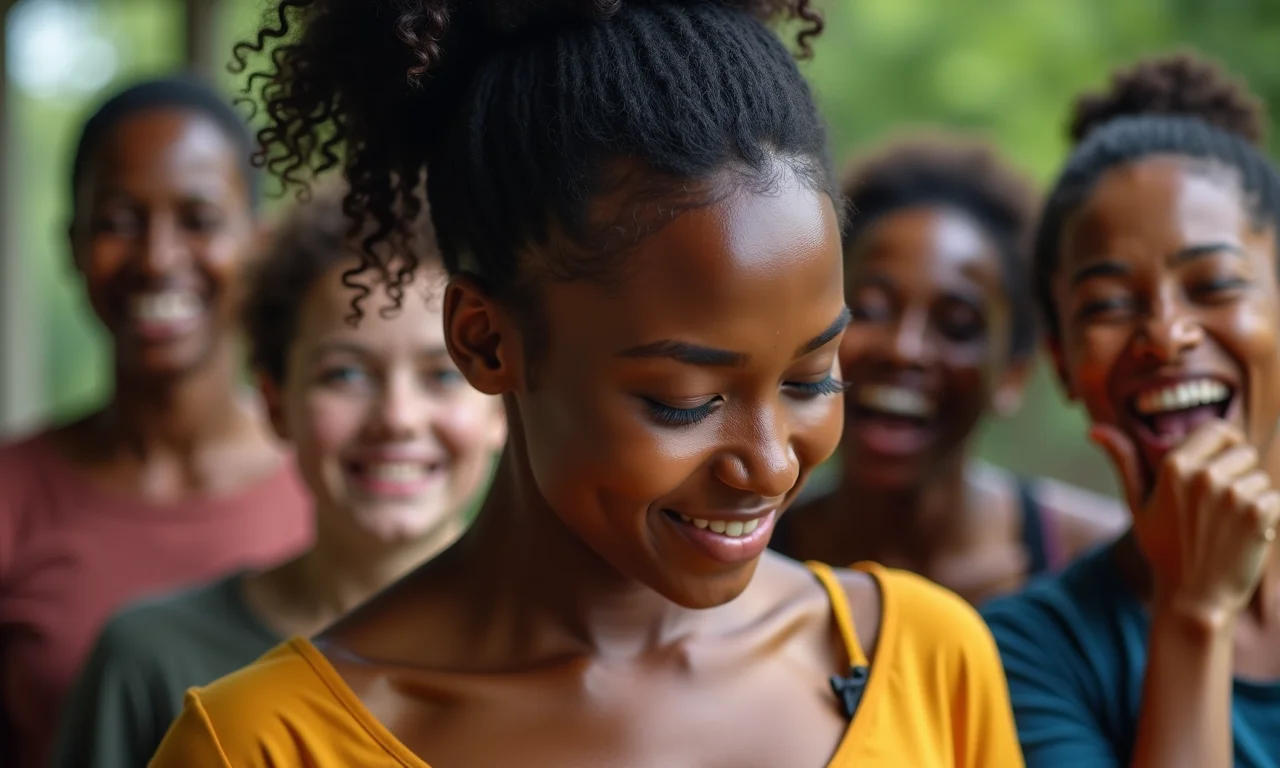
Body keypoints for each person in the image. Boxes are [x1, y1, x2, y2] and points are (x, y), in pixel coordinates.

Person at [149, 2, 1024, 766]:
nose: (769, 465)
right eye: (686, 398)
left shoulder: (926, 662)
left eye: (809, 377)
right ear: (487, 341)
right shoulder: (268, 746)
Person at [50, 186, 506, 768]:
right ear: (274, 401)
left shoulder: (577, 659)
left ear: (503, 401)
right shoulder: (148, 660)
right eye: (344, 374)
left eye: (441, 376)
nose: (397, 417)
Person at [0, 77, 312, 768]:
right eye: (119, 219)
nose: (158, 257)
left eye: (198, 219)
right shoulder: (12, 496)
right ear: (73, 245)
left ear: (256, 248)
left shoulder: (334, 484)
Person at [982, 52, 1280, 767]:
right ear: (1061, 364)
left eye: (1213, 284)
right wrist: (1194, 609)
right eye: (1110, 305)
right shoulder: (1023, 654)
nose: (1166, 335)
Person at [773, 135, 1126, 605]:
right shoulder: (741, 551)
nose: (903, 349)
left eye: (958, 326)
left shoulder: (1103, 567)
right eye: (870, 309)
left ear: (1014, 372)